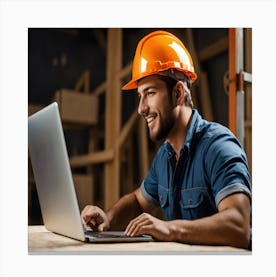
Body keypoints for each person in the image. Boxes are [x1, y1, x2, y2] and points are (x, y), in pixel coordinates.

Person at [81, 30, 251, 249]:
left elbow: (238, 225)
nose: (142, 108)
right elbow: (137, 201)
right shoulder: (165, 155)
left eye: (150, 93)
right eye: (140, 96)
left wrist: (167, 228)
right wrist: (108, 219)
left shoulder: (218, 146)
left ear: (178, 94)